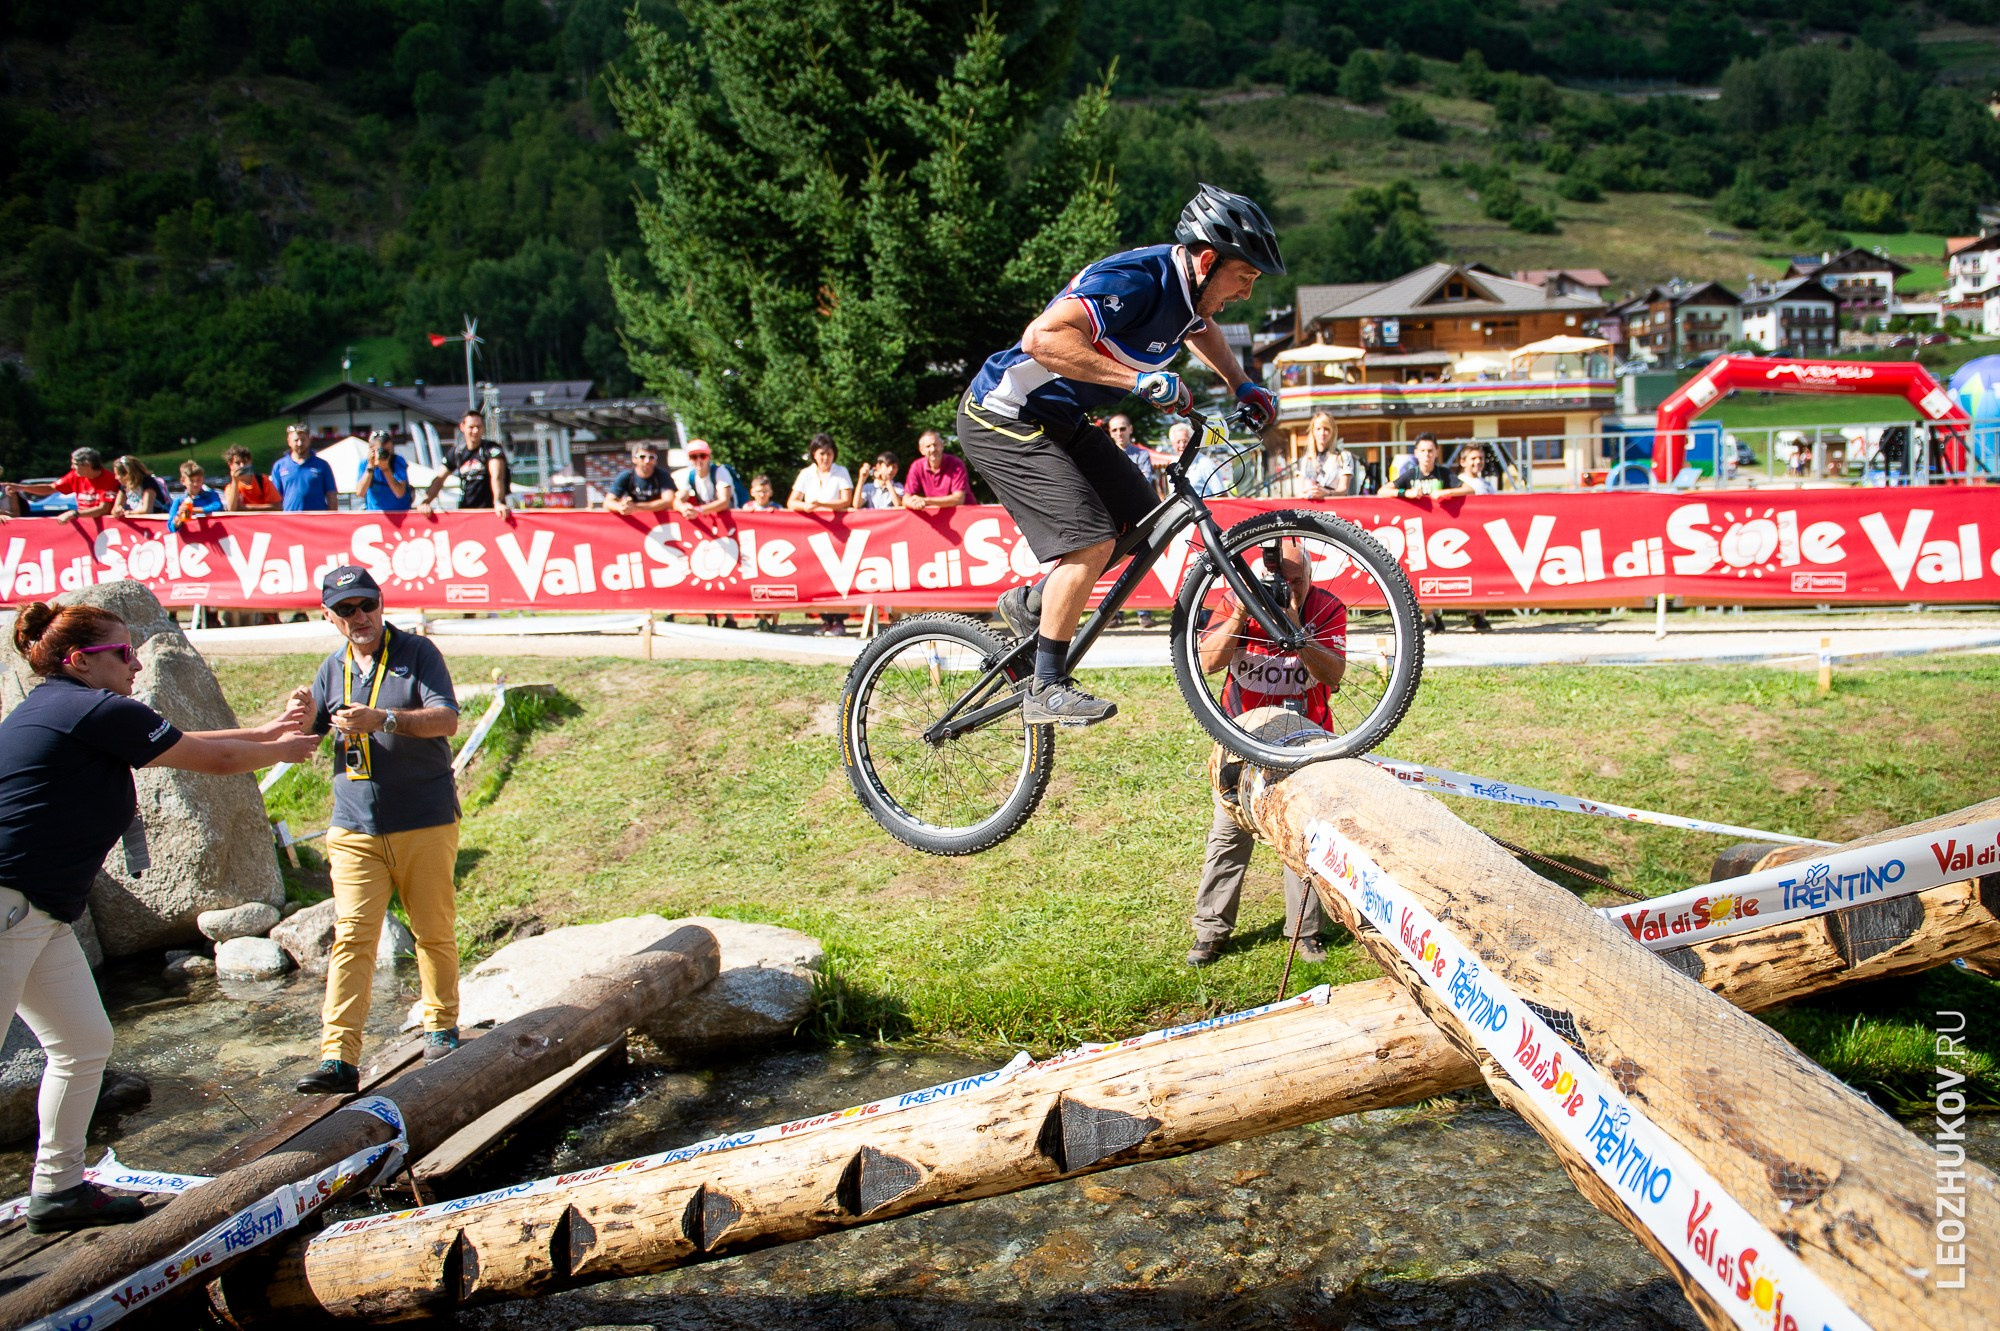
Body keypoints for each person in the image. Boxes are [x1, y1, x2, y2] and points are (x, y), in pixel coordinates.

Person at [0, 602, 318, 1230]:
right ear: (79, 660)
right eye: (123, 652)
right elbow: (214, 762)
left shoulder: (69, 707)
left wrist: (268, 734)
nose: (137, 663)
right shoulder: (95, 710)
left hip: (37, 912)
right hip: (12, 907)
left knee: (83, 1044)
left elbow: (185, 742)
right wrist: (282, 748)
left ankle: (58, 1191)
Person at [958, 184, 1283, 727]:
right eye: (1244, 277)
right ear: (1207, 261)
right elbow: (1041, 339)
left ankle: (1032, 605)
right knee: (1090, 540)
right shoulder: (1135, 279)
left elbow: (1200, 326)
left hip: (1062, 420)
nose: (1247, 293)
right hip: (1003, 414)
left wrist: (1241, 383)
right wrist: (1137, 380)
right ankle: (1046, 687)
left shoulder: (1189, 294)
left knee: (1142, 521)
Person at [290, 567, 464, 1094]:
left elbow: (445, 719)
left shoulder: (418, 652)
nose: (360, 617)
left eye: (367, 604)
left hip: (424, 820)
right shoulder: (331, 667)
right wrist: (298, 716)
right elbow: (306, 739)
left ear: (381, 603)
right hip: (353, 828)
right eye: (346, 610)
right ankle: (338, 1059)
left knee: (432, 930)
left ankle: (441, 1029)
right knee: (351, 939)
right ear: (329, 616)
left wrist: (384, 720)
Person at [1187, 540, 1343, 966]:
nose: (1287, 588)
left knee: (1303, 835)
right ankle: (1210, 931)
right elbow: (1208, 662)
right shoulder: (1236, 600)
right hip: (1243, 740)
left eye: (1297, 580)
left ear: (1310, 576)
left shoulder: (1327, 606)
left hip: (1306, 739)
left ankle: (1305, 932)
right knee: (1228, 835)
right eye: (1279, 580)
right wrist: (1241, 610)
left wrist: (1296, 629)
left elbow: (1334, 674)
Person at [788, 436, 853, 634]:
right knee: (819, 575)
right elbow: (792, 502)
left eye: (829, 453)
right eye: (822, 453)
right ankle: (825, 618)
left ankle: (839, 620)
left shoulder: (841, 471)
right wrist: (806, 506)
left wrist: (822, 504)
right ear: (814, 454)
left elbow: (846, 500)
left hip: (838, 530)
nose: (826, 458)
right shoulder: (806, 473)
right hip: (814, 531)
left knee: (839, 575)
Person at [419, 410, 511, 517]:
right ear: (462, 427)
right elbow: (439, 480)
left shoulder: (492, 449)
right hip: (466, 512)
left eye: (479, 427)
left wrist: (498, 502)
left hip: (490, 512)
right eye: (471, 427)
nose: (475, 431)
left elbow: (497, 477)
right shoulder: (457, 452)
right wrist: (425, 502)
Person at [5, 448, 122, 523]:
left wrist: (74, 513)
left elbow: (103, 509)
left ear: (87, 465)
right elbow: (51, 488)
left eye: (75, 464)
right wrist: (21, 487)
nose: (72, 467)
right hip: (84, 522)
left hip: (106, 525)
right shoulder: (75, 476)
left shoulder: (109, 479)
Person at [740, 474, 783, 632]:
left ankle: (775, 622)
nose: (762, 495)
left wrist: (777, 515)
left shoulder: (777, 508)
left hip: (774, 553)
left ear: (770, 492)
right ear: (752, 492)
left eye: (765, 491)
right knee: (756, 587)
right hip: (754, 553)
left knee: (776, 588)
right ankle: (762, 619)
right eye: (759, 491)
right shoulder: (747, 507)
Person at [271, 425, 339, 512]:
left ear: (309, 440)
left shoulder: (322, 465)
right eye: (296, 440)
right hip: (289, 518)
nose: (300, 443)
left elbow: (331, 494)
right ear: (289, 441)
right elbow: (275, 499)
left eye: (303, 440)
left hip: (316, 517)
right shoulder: (280, 466)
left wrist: (332, 516)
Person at [901, 431, 969, 512]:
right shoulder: (917, 466)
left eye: (935, 445)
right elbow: (906, 499)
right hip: (934, 513)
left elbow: (958, 499)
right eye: (928, 446)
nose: (933, 449)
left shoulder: (956, 464)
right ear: (921, 450)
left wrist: (925, 501)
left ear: (942, 446)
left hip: (963, 513)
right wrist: (913, 503)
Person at [603, 443, 675, 515]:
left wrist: (636, 507)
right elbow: (608, 502)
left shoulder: (663, 475)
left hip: (660, 519)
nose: (647, 461)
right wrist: (621, 507)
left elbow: (668, 501)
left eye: (651, 457)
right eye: (642, 457)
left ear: (656, 460)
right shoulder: (626, 476)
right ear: (634, 459)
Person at [1301, 414, 1359, 499]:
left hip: (1334, 504)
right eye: (1318, 429)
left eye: (1326, 429)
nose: (1322, 433)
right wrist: (1306, 493)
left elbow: (1343, 490)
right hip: (1311, 505)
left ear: (1333, 432)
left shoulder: (1343, 457)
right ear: (1313, 431)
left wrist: (1327, 493)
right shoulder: (1306, 460)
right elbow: (1301, 490)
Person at [676, 439, 738, 519]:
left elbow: (724, 502)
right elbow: (678, 500)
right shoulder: (690, 476)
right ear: (689, 459)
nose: (698, 460)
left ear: (709, 457)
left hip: (731, 519)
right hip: (710, 519)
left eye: (702, 456)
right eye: (694, 457)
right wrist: (683, 508)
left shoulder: (720, 472)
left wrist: (698, 510)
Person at [1378, 433, 1451, 497]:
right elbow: (1382, 491)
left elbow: (1459, 488)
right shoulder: (1411, 474)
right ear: (1416, 453)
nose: (1426, 454)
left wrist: (1445, 492)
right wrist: (1406, 492)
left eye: (1430, 451)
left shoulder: (1445, 473)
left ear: (1437, 452)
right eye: (1422, 451)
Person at [357, 431, 412, 513]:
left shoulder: (397, 461)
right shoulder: (365, 463)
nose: (387, 455)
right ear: (371, 449)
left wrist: (386, 469)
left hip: (399, 513)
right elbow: (360, 493)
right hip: (375, 514)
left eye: (389, 450)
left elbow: (399, 493)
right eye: (382, 451)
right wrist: (370, 466)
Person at [166, 460, 223, 533]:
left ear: (203, 479)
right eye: (191, 481)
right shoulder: (179, 501)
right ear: (183, 481)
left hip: (212, 534)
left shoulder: (211, 495)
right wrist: (177, 521)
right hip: (191, 538)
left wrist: (192, 510)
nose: (195, 484)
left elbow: (217, 506)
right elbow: (170, 526)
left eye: (198, 480)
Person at [221, 445, 283, 512]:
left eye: (245, 462)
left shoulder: (262, 480)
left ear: (250, 462)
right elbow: (231, 509)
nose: (242, 466)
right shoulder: (231, 487)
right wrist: (235, 482)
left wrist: (245, 508)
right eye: (238, 463)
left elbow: (278, 507)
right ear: (230, 465)